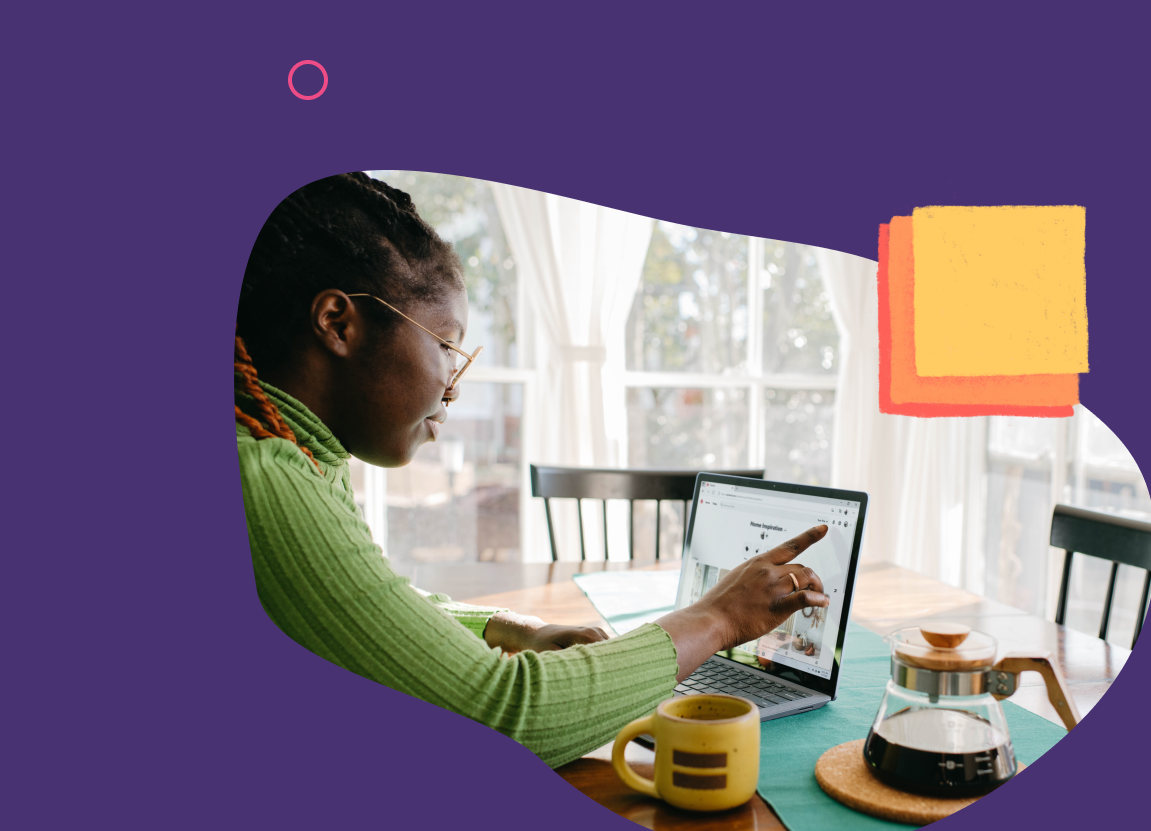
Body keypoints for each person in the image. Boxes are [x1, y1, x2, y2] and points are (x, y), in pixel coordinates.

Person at [234, 172, 829, 768]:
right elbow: (509, 717)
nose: (454, 384)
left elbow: (368, 606)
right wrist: (717, 617)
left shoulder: (293, 446)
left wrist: (506, 626)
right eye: (445, 346)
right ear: (338, 323)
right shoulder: (264, 478)